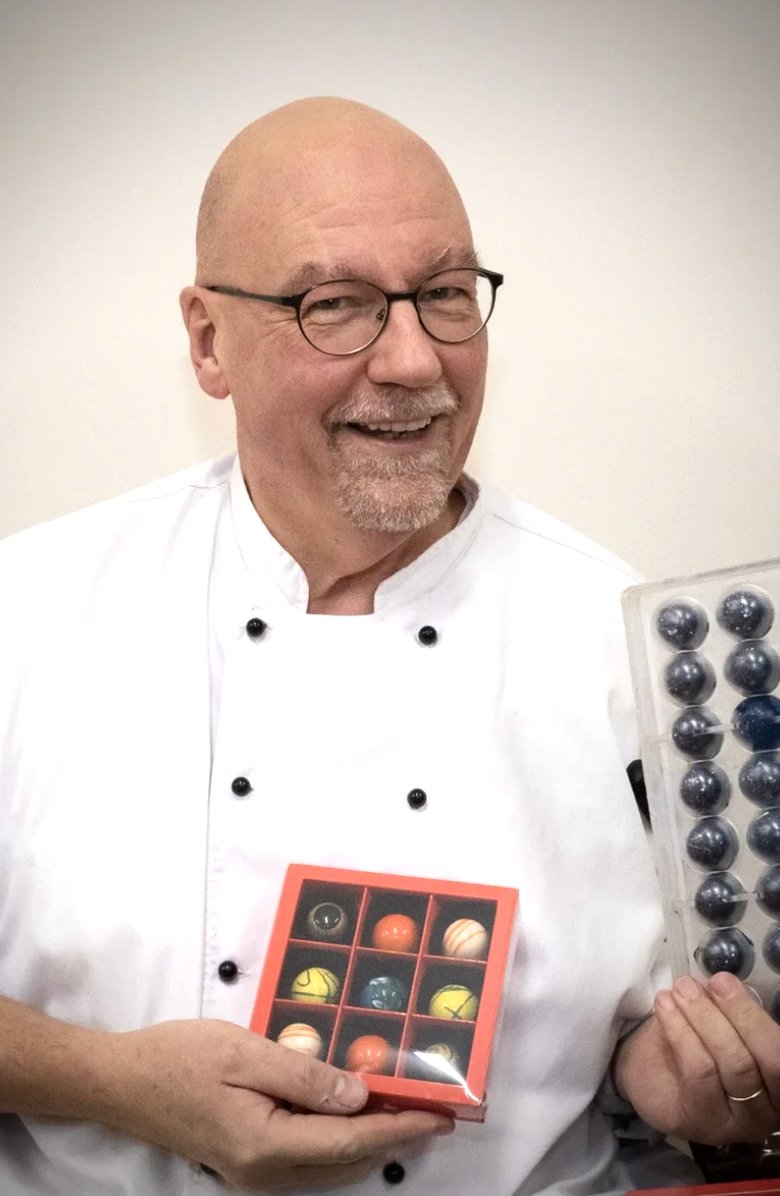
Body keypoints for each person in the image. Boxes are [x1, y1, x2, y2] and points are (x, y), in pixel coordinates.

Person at [0, 96, 776, 1196]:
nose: (416, 358)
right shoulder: (28, 608)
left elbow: (654, 1054)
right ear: (208, 340)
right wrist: (118, 1080)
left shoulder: (631, 647)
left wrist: (689, 1082)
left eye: (447, 294)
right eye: (338, 305)